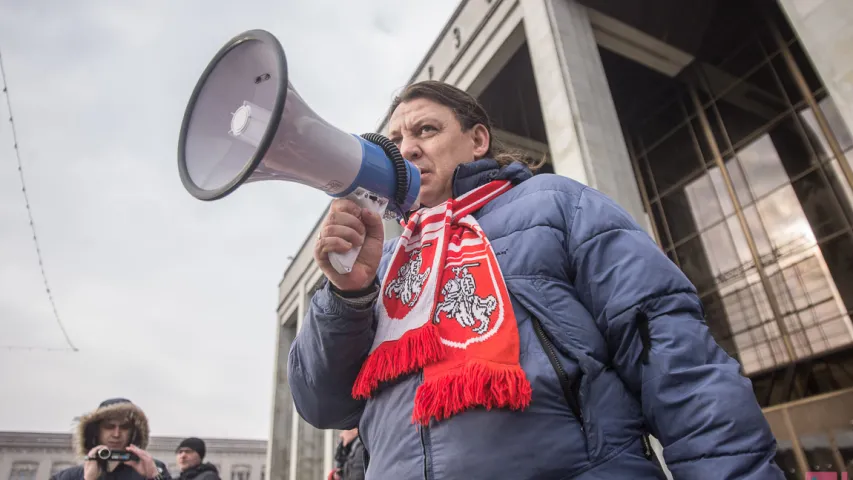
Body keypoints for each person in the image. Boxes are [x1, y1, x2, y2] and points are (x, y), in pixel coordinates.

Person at [288, 80, 785, 479]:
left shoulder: (555, 203)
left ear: (477, 140)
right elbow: (322, 404)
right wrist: (348, 295)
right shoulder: (385, 259)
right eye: (395, 141)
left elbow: (671, 353)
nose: (407, 150)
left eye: (426, 131)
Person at [51, 398, 170, 480]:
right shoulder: (68, 476)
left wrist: (154, 477)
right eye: (109, 427)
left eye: (124, 427)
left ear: (133, 432)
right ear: (96, 430)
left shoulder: (153, 469)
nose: (116, 434)